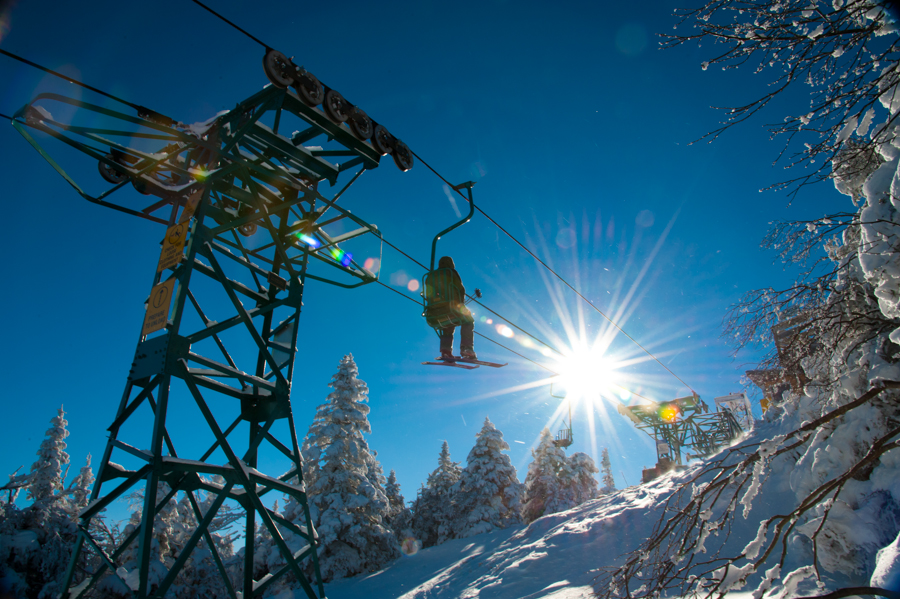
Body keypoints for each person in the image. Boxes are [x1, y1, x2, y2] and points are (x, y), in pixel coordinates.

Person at [425, 256, 476, 360]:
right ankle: (466, 348)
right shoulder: (450, 272)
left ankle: (445, 350)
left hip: (433, 312)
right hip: (450, 307)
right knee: (468, 319)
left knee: (447, 324)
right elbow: (460, 289)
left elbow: (428, 294)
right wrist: (460, 304)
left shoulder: (430, 276)